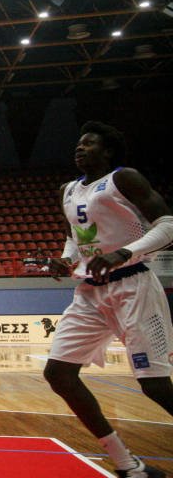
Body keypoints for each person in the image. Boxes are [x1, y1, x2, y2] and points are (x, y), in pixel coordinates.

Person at [43, 121, 173, 478]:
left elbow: (168, 225)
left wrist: (123, 254)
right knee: (58, 374)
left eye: (89, 143)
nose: (80, 148)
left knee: (155, 385)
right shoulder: (67, 190)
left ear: (109, 151)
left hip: (133, 286)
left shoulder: (124, 178)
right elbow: (77, 238)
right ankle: (128, 464)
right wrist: (67, 259)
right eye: (78, 143)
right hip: (89, 291)